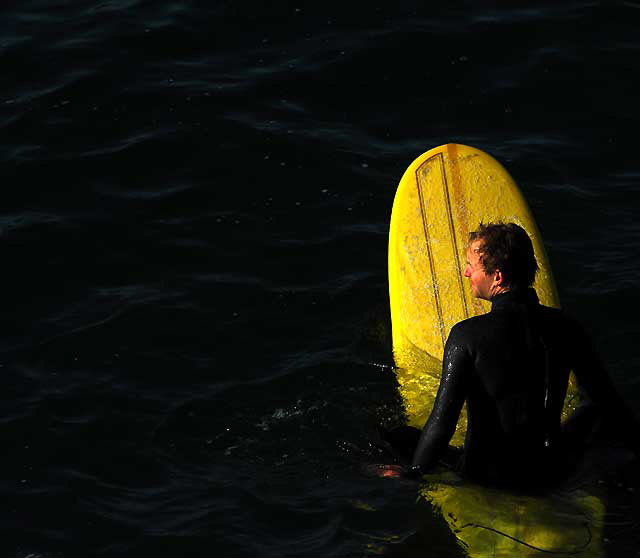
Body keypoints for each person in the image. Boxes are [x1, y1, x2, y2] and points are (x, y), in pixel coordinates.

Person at [401, 222, 637, 488]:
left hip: (487, 476)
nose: (466, 273)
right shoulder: (566, 327)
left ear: (498, 277)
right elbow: (608, 403)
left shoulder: (467, 336)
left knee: (396, 437)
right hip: (549, 473)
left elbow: (442, 423)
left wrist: (414, 475)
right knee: (593, 410)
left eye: (471, 266)